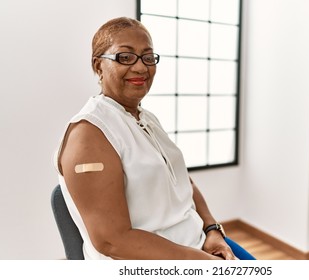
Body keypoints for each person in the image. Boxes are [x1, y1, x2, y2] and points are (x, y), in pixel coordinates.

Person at [54, 17, 255, 260]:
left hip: (198, 243)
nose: (140, 67)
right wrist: (201, 262)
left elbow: (183, 182)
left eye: (148, 57)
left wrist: (212, 229)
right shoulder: (89, 134)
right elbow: (112, 241)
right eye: (124, 57)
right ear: (98, 66)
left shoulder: (145, 118)